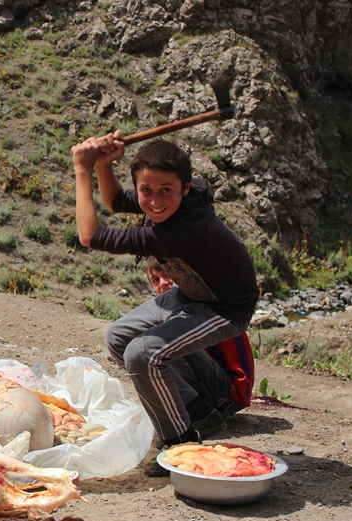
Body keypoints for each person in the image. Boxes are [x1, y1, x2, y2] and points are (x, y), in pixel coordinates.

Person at [71, 132, 259, 474]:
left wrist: (82, 169)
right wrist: (103, 165)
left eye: (165, 191)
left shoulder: (181, 230)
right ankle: (199, 413)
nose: (155, 201)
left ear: (185, 188)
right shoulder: (169, 203)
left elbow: (90, 235)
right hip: (190, 293)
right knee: (119, 338)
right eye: (146, 190)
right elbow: (115, 201)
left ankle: (180, 442)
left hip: (224, 307)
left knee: (143, 353)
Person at [146, 256, 254, 436]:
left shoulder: (198, 301)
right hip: (218, 383)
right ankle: (192, 406)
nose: (163, 283)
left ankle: (201, 411)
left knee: (159, 343)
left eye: (167, 275)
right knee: (151, 344)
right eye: (156, 280)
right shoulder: (178, 306)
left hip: (230, 393)